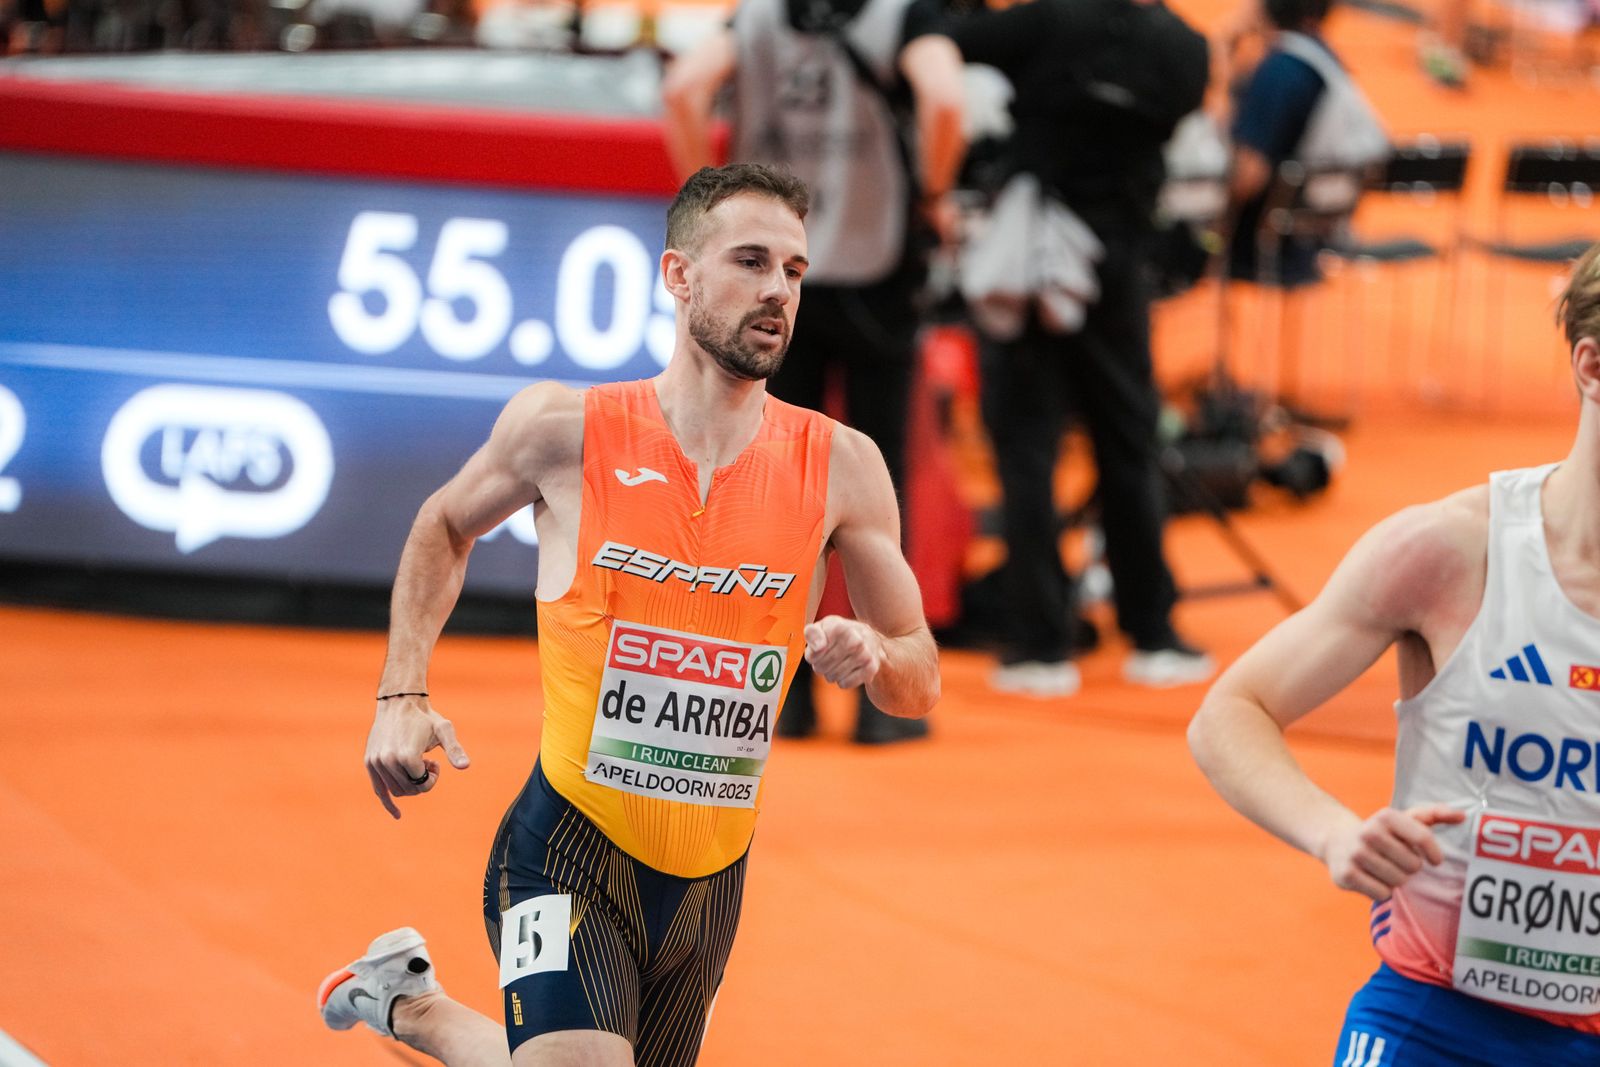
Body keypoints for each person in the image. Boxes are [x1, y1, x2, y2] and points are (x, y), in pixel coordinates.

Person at [316, 163, 940, 1067]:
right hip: (567, 846)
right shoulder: (565, 429)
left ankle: (409, 1005)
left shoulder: (843, 465)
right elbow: (441, 527)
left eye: (795, 271)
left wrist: (875, 656)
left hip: (710, 879)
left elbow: (919, 677)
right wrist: (399, 693)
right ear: (678, 275)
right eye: (752, 261)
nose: (777, 291)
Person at [1188, 244, 1600, 1064]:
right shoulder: (1453, 551)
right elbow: (1231, 712)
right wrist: (1334, 833)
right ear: (1592, 364)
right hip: (1437, 1023)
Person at [660, 0, 964, 742]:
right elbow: (947, 98)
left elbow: (682, 90)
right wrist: (931, 193)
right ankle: (878, 692)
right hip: (876, 263)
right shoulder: (905, 16)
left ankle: (777, 693)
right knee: (875, 475)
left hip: (769, 274)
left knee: (769, 473)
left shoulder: (758, 17)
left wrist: (714, 213)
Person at [947, 0, 1215, 698]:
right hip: (1118, 265)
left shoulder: (1042, 24)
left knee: (1027, 450)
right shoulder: (1182, 47)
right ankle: (1152, 628)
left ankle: (1040, 643)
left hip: (1034, 263)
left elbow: (948, 42)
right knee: (1127, 444)